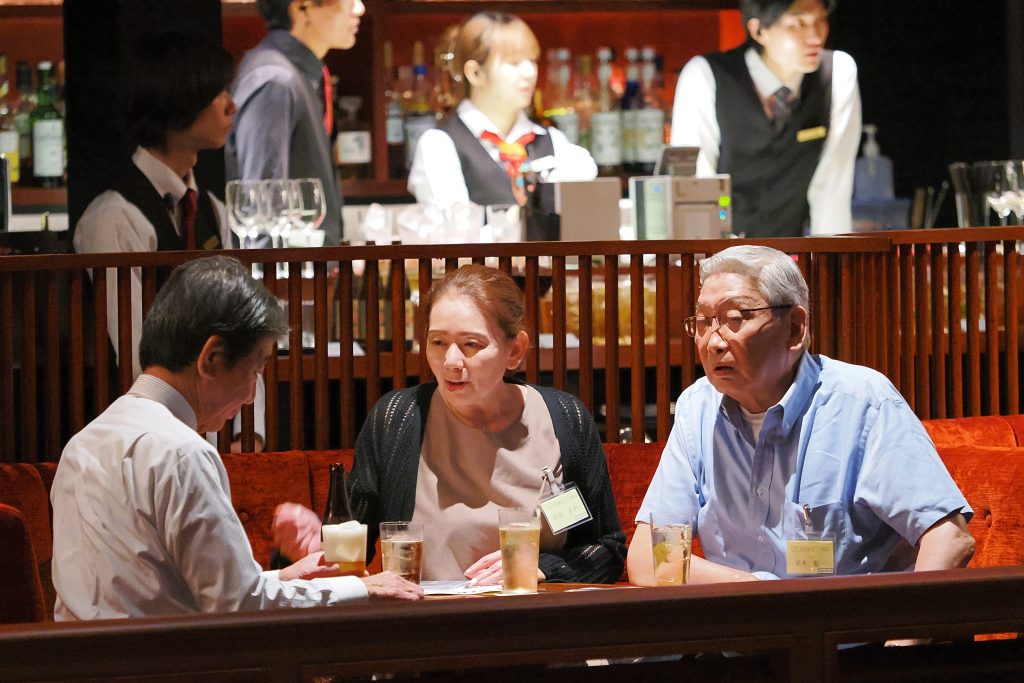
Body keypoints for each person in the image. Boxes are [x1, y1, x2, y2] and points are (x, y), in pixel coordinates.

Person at [50, 255, 422, 621]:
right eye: (255, 368)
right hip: (165, 657)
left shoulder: (82, 444)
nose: (249, 396)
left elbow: (161, 594)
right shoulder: (182, 453)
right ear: (211, 358)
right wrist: (362, 588)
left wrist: (282, 577)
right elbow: (240, 607)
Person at [627, 245, 974, 585]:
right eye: (704, 322)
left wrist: (902, 625)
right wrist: (758, 595)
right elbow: (649, 557)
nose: (713, 342)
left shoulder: (862, 403)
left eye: (735, 319)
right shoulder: (697, 408)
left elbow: (950, 538)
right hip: (736, 621)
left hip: (841, 623)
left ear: (794, 327)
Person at [274, 265, 625, 585]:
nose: (451, 361)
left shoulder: (564, 418)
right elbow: (349, 550)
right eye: (438, 342)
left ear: (515, 350)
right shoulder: (397, 420)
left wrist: (543, 567)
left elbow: (608, 551)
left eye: (471, 345)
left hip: (537, 621)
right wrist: (314, 546)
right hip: (427, 623)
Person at [73, 32, 266, 451]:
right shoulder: (114, 217)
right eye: (218, 92)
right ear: (179, 100)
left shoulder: (214, 209)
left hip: (220, 439)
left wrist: (248, 434)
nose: (232, 105)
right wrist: (192, 444)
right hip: (149, 446)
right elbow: (138, 358)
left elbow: (245, 330)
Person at [670, 0, 861, 237]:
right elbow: (695, 188)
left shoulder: (837, 74)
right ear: (759, 30)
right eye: (797, 24)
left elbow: (833, 186)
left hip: (791, 252)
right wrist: (709, 257)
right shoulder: (706, 76)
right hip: (720, 249)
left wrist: (833, 257)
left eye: (820, 20)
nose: (815, 37)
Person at [407, 12, 597, 241]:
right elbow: (455, 240)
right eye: (514, 63)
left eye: (532, 60)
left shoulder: (553, 140)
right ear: (475, 73)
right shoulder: (439, 144)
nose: (530, 73)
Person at [228, 0, 365, 247]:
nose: (359, 8)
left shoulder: (293, 74)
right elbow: (262, 219)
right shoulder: (276, 81)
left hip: (306, 266)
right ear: (302, 8)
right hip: (287, 269)